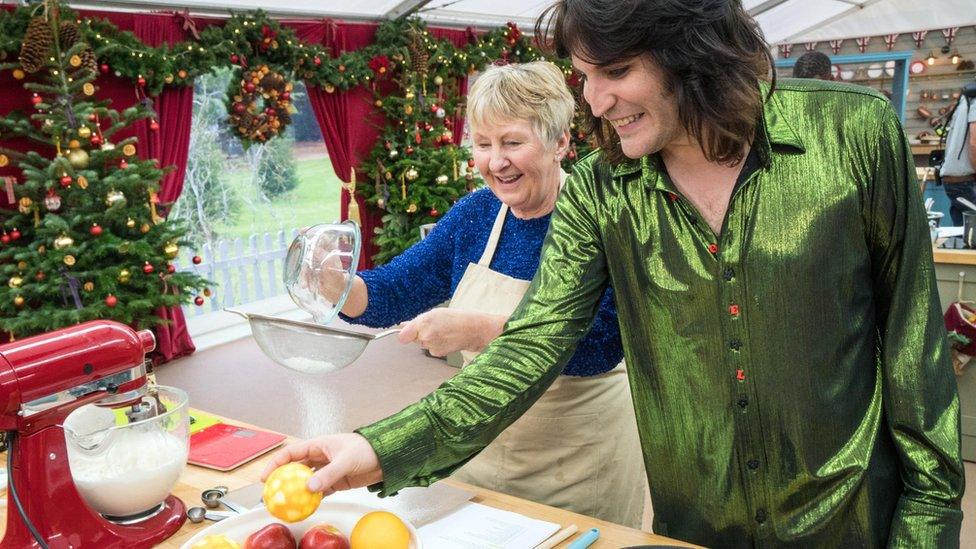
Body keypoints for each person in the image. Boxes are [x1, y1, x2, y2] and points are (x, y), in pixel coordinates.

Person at [265, 1, 965, 545]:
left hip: (849, 524)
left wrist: (926, 529)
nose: (594, 100)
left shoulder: (855, 136)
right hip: (695, 525)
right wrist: (375, 446)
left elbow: (915, 359)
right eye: (584, 75)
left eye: (616, 71)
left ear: (693, 50)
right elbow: (531, 348)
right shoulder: (606, 188)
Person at [305, 61, 645, 527]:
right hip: (481, 447)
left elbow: (603, 346)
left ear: (560, 141)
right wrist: (337, 284)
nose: (495, 161)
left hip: (579, 457)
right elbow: (395, 291)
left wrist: (481, 331)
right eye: (483, 145)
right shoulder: (476, 214)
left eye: (512, 142)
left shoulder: (597, 218)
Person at [940, 82, 976, 226]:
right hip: (966, 179)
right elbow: (974, 141)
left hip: (956, 179)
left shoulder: (967, 98)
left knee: (964, 235)